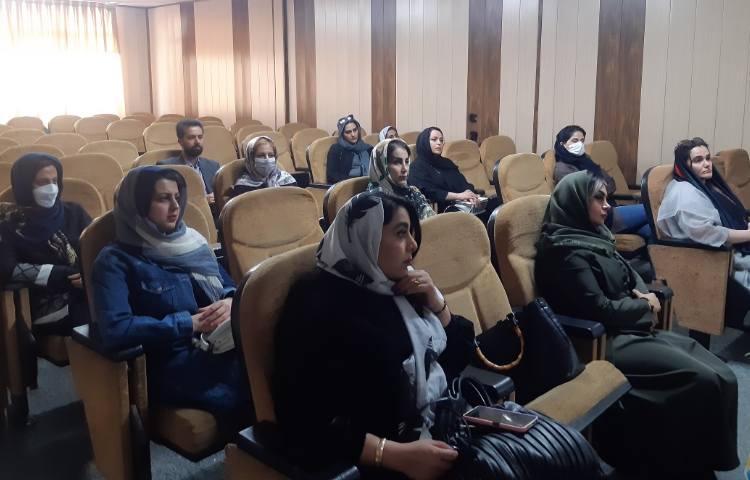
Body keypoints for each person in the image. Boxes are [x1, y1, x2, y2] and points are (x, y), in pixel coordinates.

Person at [535, 171, 738, 477]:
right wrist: (644, 305)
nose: (607, 205)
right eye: (598, 198)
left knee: (723, 373)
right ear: (576, 202)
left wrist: (643, 293)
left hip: (631, 326)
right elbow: (600, 309)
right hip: (604, 341)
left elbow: (629, 273)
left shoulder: (596, 236)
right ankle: (693, 465)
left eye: (607, 198)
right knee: (702, 379)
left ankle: (706, 459)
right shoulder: (564, 252)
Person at [274, 191, 476, 479]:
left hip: (443, 425)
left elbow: (457, 355)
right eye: (401, 233)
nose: (413, 244)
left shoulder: (397, 287)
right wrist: (393, 455)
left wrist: (436, 301)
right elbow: (304, 420)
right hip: (382, 462)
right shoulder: (315, 305)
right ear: (366, 237)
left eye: (412, 232)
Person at [91, 166, 251, 432]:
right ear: (139, 204)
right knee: (260, 386)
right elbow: (116, 329)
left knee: (283, 359)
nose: (175, 206)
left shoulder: (192, 242)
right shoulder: (114, 261)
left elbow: (227, 286)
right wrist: (189, 323)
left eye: (177, 197)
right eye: (163, 198)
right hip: (171, 363)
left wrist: (230, 301)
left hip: (221, 344)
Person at [0, 153, 91, 337]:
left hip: (87, 290)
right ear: (25, 185)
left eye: (54, 181)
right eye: (42, 182)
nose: (51, 188)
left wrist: (89, 276)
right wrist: (58, 274)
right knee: (92, 316)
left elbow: (96, 250)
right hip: (44, 302)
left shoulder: (74, 212)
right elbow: (7, 268)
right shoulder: (8, 223)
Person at [551, 125, 650, 239]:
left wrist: (599, 188)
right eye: (575, 140)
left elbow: (611, 184)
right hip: (597, 216)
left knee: (650, 229)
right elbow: (586, 194)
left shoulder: (587, 160)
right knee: (651, 211)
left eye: (582, 141)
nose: (579, 144)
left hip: (610, 207)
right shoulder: (563, 168)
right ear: (562, 144)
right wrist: (601, 188)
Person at [408, 127, 497, 217]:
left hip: (463, 205)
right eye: (434, 140)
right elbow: (428, 192)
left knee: (496, 204)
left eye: (441, 140)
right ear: (424, 143)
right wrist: (459, 196)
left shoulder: (447, 163)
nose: (439, 143)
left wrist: (469, 193)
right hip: (442, 210)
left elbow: (462, 182)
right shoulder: (416, 167)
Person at [157, 119, 220, 206]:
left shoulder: (213, 165)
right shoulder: (167, 167)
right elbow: (166, 201)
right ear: (180, 141)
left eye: (200, 137)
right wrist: (201, 201)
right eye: (191, 138)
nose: (197, 141)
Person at [368, 139, 435, 220]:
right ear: (381, 165)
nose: (404, 169)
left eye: (406, 162)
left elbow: (432, 222)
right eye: (397, 162)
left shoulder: (412, 192)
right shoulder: (373, 202)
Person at [230, 136, 296, 198]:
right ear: (251, 159)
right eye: (261, 155)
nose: (267, 159)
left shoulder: (287, 180)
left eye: (271, 155)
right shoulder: (242, 187)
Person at [326, 114, 373, 184]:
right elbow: (332, 175)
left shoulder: (368, 148)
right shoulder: (336, 149)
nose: (353, 134)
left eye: (355, 130)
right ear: (342, 134)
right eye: (348, 132)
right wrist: (355, 182)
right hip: (349, 185)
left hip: (370, 184)